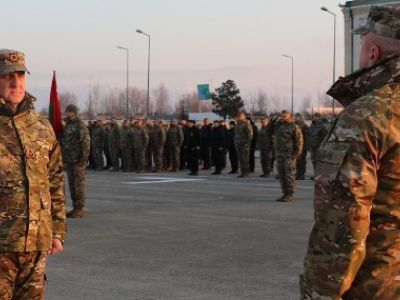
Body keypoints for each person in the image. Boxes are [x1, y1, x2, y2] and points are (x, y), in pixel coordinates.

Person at [300, 6, 400, 299]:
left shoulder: (369, 115)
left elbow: (342, 231)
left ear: (372, 55)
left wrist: (318, 294)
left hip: (380, 286)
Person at [0, 49, 66, 299]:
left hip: (36, 246)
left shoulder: (40, 126)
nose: (16, 82)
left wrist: (57, 231)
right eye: (7, 76)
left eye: (20, 75)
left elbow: (55, 179)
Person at [62, 104, 90, 218]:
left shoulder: (80, 125)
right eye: (67, 111)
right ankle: (75, 207)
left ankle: (80, 208)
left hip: (78, 160)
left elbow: (86, 143)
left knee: (79, 185)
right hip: (69, 159)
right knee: (72, 185)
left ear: (74, 112)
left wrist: (83, 159)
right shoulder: (68, 125)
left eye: (69, 111)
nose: (67, 113)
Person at [274, 110, 303, 202]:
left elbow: (299, 141)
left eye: (284, 116)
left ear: (290, 117)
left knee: (289, 175)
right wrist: (276, 121)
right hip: (280, 155)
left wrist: (296, 154)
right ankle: (285, 193)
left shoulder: (294, 127)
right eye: (281, 116)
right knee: (281, 175)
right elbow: (270, 129)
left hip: (289, 155)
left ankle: (290, 194)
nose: (282, 118)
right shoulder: (279, 126)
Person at [234, 112, 253, 178]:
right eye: (239, 116)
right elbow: (235, 135)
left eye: (241, 116)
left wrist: (247, 143)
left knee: (245, 159)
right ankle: (242, 173)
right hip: (238, 144)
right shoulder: (238, 124)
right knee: (240, 159)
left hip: (244, 145)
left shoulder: (246, 123)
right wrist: (236, 142)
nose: (239, 117)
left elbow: (250, 134)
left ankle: (246, 173)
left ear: (244, 116)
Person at [294, 113, 309, 180]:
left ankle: (302, 174)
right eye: (295, 117)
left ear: (300, 117)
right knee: (297, 161)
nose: (295, 118)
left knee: (302, 161)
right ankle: (298, 173)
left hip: (302, 147)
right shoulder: (294, 125)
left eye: (297, 117)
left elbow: (306, 137)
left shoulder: (304, 126)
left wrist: (305, 146)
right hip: (295, 147)